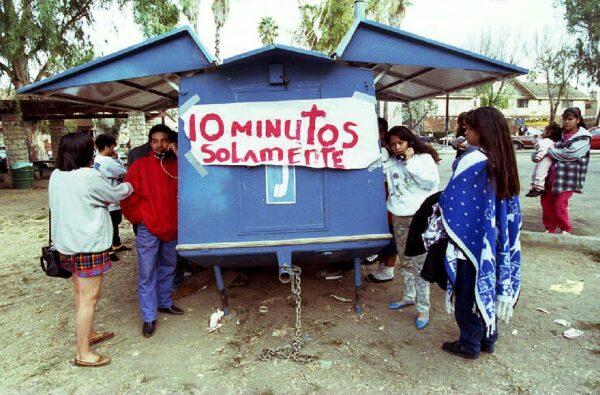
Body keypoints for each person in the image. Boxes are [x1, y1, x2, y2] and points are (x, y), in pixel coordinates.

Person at [439, 106, 521, 359]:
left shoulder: (473, 159)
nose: (465, 133)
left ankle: (469, 344)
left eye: (468, 128)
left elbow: (450, 200)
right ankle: (488, 338)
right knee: (487, 286)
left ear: (480, 130)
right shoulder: (504, 158)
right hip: (493, 242)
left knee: (466, 296)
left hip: (470, 244)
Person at [49, 131, 133, 367]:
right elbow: (114, 194)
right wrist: (129, 186)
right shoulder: (88, 176)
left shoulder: (56, 175)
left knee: (80, 294)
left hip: (66, 244)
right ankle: (82, 353)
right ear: (84, 151)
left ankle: (89, 333)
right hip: (88, 245)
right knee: (90, 297)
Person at [121, 124, 183, 338]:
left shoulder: (177, 166)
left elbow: (200, 175)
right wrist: (139, 218)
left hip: (172, 225)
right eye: (155, 141)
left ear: (170, 142)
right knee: (147, 271)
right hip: (149, 226)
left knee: (169, 266)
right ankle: (149, 317)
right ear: (150, 143)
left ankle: (165, 302)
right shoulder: (140, 166)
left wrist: (179, 155)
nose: (160, 144)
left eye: (164, 140)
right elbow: (126, 195)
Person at [379, 126, 440, 329]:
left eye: (401, 143)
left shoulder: (423, 159)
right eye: (393, 144)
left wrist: (411, 161)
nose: (397, 148)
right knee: (405, 261)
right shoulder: (392, 162)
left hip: (418, 216)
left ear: (409, 142)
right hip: (399, 215)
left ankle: (424, 307)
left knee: (420, 264)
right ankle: (409, 296)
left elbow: (429, 182)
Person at [541, 107, 591, 234]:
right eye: (565, 119)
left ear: (578, 120)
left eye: (570, 119)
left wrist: (548, 151)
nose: (567, 122)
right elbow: (541, 148)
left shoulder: (583, 137)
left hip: (567, 179)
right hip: (549, 178)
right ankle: (550, 228)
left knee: (560, 205)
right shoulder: (557, 134)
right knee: (546, 205)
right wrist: (541, 151)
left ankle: (565, 229)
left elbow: (570, 154)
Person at [366, 117, 398, 280]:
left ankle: (388, 270)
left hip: (388, 193)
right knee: (382, 230)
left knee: (389, 232)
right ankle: (382, 267)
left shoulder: (389, 150)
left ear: (382, 132)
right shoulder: (378, 147)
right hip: (378, 194)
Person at [93, 134, 131, 260]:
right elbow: (124, 172)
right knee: (112, 224)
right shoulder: (108, 162)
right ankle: (109, 250)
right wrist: (118, 159)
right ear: (106, 147)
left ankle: (116, 244)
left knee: (113, 223)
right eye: (112, 147)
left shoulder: (97, 159)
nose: (114, 149)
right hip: (112, 196)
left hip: (105, 195)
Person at [525, 123, 562, 197]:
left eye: (544, 131)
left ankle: (539, 189)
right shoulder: (547, 140)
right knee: (536, 173)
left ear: (549, 133)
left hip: (545, 159)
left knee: (540, 172)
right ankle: (535, 188)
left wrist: (538, 157)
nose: (542, 133)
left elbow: (543, 150)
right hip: (544, 158)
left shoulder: (547, 141)